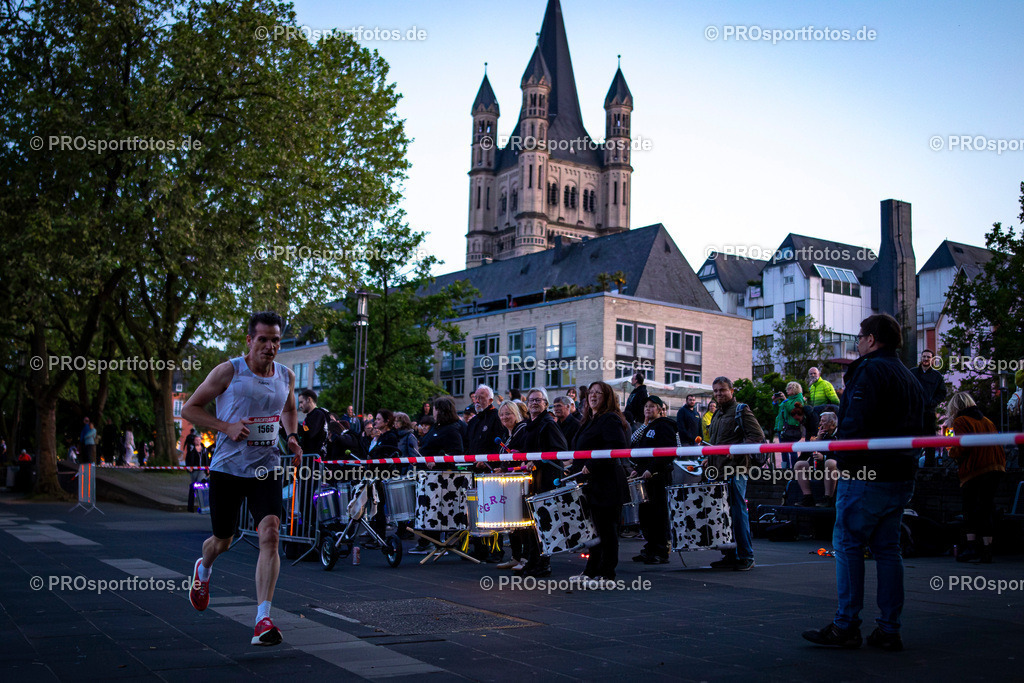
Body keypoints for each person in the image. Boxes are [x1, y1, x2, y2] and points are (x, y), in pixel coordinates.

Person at [803, 313, 925, 652]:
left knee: (848, 544)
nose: (857, 342)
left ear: (872, 339)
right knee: (888, 550)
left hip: (866, 474)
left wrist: (844, 463)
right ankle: (889, 628)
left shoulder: (869, 370)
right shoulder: (909, 376)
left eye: (860, 336)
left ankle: (846, 625)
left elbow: (855, 424)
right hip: (900, 474)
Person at [181, 311, 301, 647]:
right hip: (228, 469)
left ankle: (263, 618)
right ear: (249, 341)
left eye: (275, 340)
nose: (269, 346)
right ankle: (203, 569)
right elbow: (190, 408)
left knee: (271, 535)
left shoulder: (286, 376)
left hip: (266, 467)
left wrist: (291, 437)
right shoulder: (228, 371)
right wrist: (226, 427)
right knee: (223, 541)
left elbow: (289, 409)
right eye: (262, 339)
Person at [570, 381, 630, 583]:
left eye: (599, 393)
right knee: (594, 530)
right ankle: (591, 570)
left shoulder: (609, 418)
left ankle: (607, 573)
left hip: (607, 483)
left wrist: (592, 464)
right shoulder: (589, 420)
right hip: (592, 483)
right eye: (591, 393)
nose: (593, 396)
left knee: (607, 530)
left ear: (607, 397)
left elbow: (616, 446)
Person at [706, 377, 765, 571]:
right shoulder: (716, 415)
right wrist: (710, 458)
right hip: (719, 469)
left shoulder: (741, 410)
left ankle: (747, 556)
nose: (718, 394)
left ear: (732, 391)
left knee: (738, 513)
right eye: (715, 391)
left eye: (722, 390)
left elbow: (757, 437)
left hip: (736, 469)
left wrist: (736, 449)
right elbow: (717, 444)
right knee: (724, 514)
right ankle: (730, 554)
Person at [516, 388, 569, 577]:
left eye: (539, 400)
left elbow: (559, 450)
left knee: (542, 524)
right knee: (532, 524)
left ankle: (543, 564)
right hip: (534, 480)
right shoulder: (530, 424)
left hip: (546, 480)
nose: (534, 403)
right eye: (531, 400)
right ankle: (532, 561)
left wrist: (535, 461)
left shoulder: (548, 424)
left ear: (545, 404)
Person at [946, 392, 1005, 564]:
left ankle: (971, 547)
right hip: (996, 467)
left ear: (955, 407)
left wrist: (951, 452)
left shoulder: (961, 421)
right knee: (987, 508)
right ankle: (987, 550)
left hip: (975, 469)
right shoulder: (987, 421)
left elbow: (963, 445)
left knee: (970, 508)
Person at [410, 396, 465, 554]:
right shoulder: (437, 427)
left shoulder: (452, 429)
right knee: (427, 510)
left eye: (434, 408)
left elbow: (456, 453)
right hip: (428, 476)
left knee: (436, 511)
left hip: (442, 478)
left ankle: (434, 542)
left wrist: (438, 461)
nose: (432, 412)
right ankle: (426, 540)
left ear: (440, 410)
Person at [630, 396, 677, 564]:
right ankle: (650, 547)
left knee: (659, 514)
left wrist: (652, 468)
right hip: (645, 477)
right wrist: (638, 469)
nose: (648, 409)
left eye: (652, 406)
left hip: (659, 477)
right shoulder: (647, 428)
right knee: (646, 515)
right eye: (646, 406)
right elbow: (641, 451)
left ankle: (661, 550)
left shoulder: (664, 425)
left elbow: (668, 451)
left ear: (659, 409)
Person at [496, 401, 531, 570]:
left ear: (516, 413)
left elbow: (523, 457)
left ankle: (524, 557)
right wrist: (501, 468)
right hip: (510, 482)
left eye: (508, 413)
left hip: (521, 482)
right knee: (512, 521)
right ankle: (516, 556)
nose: (504, 417)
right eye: (502, 414)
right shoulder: (507, 434)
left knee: (521, 521)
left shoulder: (522, 430)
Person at [793, 412, 840, 507]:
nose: (820, 424)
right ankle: (807, 497)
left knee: (830, 463)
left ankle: (828, 498)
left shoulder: (840, 434)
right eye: (820, 421)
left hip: (836, 467)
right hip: (820, 466)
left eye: (823, 421)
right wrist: (819, 438)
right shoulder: (822, 434)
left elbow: (840, 454)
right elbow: (812, 452)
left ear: (832, 423)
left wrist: (824, 458)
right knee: (799, 465)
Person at [911, 349, 946, 466]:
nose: (926, 359)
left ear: (932, 360)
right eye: (924, 356)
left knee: (930, 440)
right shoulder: (912, 373)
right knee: (913, 439)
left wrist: (933, 402)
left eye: (928, 357)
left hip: (929, 413)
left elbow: (942, 393)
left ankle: (929, 466)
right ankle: (912, 464)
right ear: (921, 358)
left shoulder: (937, 376)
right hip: (914, 413)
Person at [774, 382, 808, 468]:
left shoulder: (799, 399)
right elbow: (777, 412)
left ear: (795, 389)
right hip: (782, 428)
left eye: (789, 388)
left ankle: (794, 468)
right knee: (783, 450)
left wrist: (785, 400)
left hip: (791, 428)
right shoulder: (788, 400)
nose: (787, 390)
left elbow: (791, 410)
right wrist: (775, 402)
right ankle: (784, 469)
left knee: (792, 450)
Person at [297, 390, 330, 458]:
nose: (299, 406)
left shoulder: (318, 414)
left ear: (309, 399)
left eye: (301, 402)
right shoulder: (312, 416)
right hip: (311, 457)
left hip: (315, 458)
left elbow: (309, 432)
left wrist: (296, 426)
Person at [185, 434, 205, 512]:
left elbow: (206, 457)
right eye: (196, 440)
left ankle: (202, 505)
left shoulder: (204, 449)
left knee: (199, 485)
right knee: (193, 486)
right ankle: (190, 507)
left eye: (199, 440)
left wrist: (207, 468)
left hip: (202, 470)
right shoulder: (191, 449)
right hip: (193, 470)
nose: (197, 441)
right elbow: (188, 458)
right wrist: (188, 466)